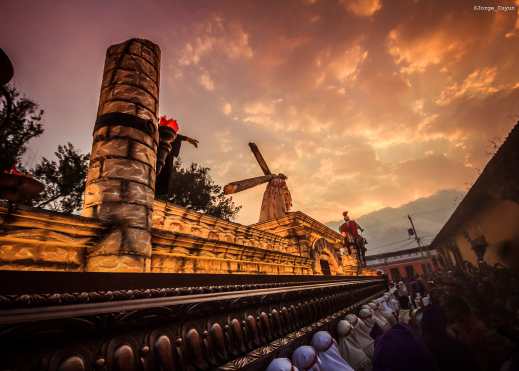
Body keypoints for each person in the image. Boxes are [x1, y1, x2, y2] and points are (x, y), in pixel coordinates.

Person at [155, 116, 199, 197]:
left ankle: (159, 191)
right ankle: (158, 190)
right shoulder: (159, 131)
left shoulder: (174, 136)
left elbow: (182, 137)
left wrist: (191, 140)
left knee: (165, 174)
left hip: (168, 154)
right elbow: (182, 137)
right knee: (160, 171)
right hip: (160, 152)